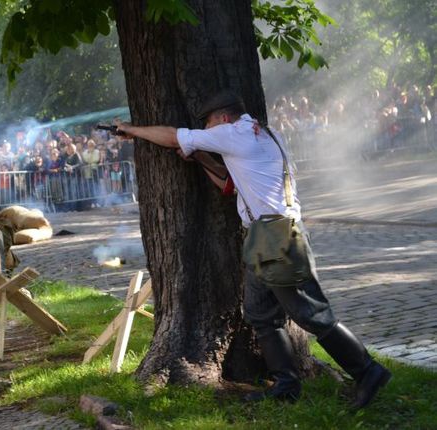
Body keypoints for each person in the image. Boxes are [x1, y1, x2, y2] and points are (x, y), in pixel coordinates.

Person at [115, 91, 391, 409]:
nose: (208, 132)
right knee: (261, 314)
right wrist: (202, 157)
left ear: (221, 118)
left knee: (311, 314)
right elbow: (228, 186)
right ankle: (286, 384)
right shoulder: (263, 135)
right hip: (267, 237)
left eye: (209, 125)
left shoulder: (234, 134)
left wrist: (131, 129)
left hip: (277, 239)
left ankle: (368, 372)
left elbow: (172, 136)